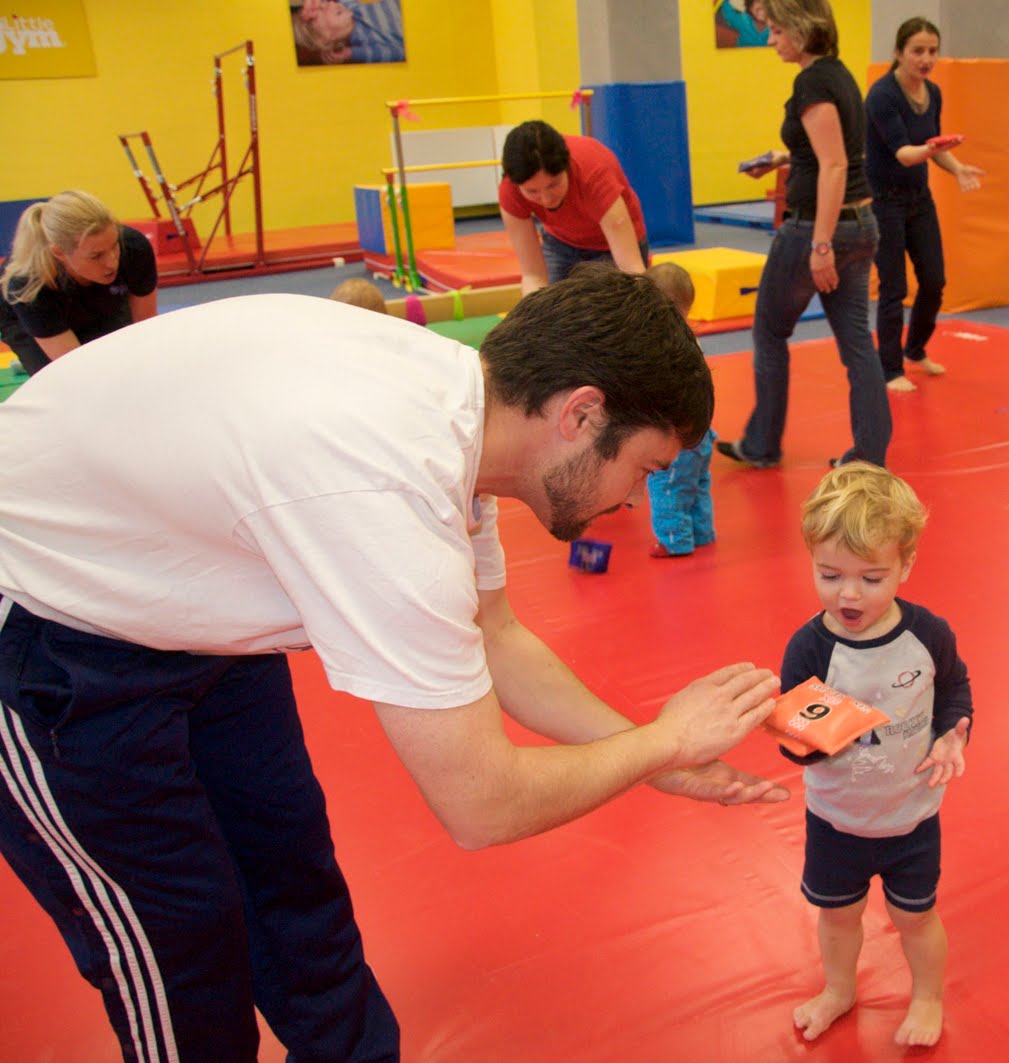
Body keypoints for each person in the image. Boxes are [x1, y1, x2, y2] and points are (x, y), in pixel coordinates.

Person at [0, 268, 785, 1061]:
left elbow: (496, 634)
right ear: (581, 414)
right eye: (644, 469)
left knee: (293, 880)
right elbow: (482, 804)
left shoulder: (464, 415)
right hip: (49, 623)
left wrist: (657, 755)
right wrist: (664, 741)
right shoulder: (382, 482)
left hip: (185, 599)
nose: (634, 501)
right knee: (180, 944)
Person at [779, 461, 973, 1048]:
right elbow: (797, 738)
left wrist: (953, 733)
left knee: (916, 917)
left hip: (911, 817)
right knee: (837, 917)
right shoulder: (809, 649)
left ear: (905, 565)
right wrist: (805, 741)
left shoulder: (927, 634)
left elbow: (954, 687)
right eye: (829, 574)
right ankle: (840, 989)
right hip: (836, 820)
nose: (848, 593)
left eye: (871, 577)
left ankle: (927, 997)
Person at [716, 0, 890, 471]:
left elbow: (834, 166)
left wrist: (820, 245)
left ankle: (762, 444)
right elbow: (829, 154)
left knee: (769, 332)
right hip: (860, 225)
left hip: (820, 228)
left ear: (800, 27)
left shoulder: (812, 82)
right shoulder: (838, 74)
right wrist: (782, 159)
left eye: (776, 31)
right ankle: (869, 455)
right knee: (857, 343)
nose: (770, 40)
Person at [864, 17, 984, 394]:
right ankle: (889, 368)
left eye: (933, 51)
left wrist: (958, 167)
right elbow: (904, 153)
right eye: (918, 51)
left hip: (918, 198)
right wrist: (936, 148)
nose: (926, 58)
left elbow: (932, 146)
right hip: (884, 201)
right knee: (894, 286)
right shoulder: (882, 96)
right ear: (899, 53)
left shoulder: (933, 92)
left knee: (934, 280)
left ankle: (915, 348)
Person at [0, 190, 157, 378]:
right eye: (96, 256)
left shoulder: (133, 248)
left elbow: (144, 329)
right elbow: (77, 369)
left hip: (99, 299)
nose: (112, 262)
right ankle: (32, 360)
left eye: (114, 245)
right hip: (30, 317)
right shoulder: (28, 284)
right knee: (66, 381)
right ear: (59, 253)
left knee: (127, 362)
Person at [498, 120, 650, 295]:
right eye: (532, 191)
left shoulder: (594, 173)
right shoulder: (510, 189)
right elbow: (533, 275)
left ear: (567, 168)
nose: (546, 199)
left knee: (615, 302)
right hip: (561, 241)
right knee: (552, 303)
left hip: (612, 243)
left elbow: (631, 269)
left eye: (553, 185)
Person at [644, 261, 717, 558]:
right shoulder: (689, 339)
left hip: (677, 438)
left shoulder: (659, 346)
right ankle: (703, 532)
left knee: (668, 488)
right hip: (702, 434)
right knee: (697, 486)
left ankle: (674, 540)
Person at [291, 0, 406, 65]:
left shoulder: (353, 9)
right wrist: (351, 54)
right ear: (326, 39)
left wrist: (314, 2)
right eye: (323, 10)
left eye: (325, 4)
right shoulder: (365, 44)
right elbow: (399, 53)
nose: (331, 4)